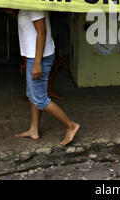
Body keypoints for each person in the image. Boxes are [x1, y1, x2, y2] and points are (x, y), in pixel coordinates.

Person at [15, 9, 79, 146]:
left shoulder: (31, 1)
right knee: (32, 94)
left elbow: (42, 32)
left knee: (40, 99)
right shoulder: (22, 2)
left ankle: (71, 125)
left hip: (39, 57)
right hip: (34, 56)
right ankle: (34, 130)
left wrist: (37, 62)